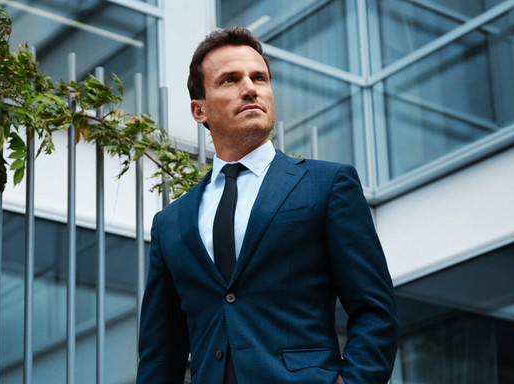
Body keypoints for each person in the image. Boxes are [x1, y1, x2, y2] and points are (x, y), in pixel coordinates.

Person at [137, 26, 398, 384]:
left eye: (259, 77)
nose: (250, 89)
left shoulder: (327, 185)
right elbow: (160, 350)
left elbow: (375, 311)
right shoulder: (171, 223)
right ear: (199, 110)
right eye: (230, 80)